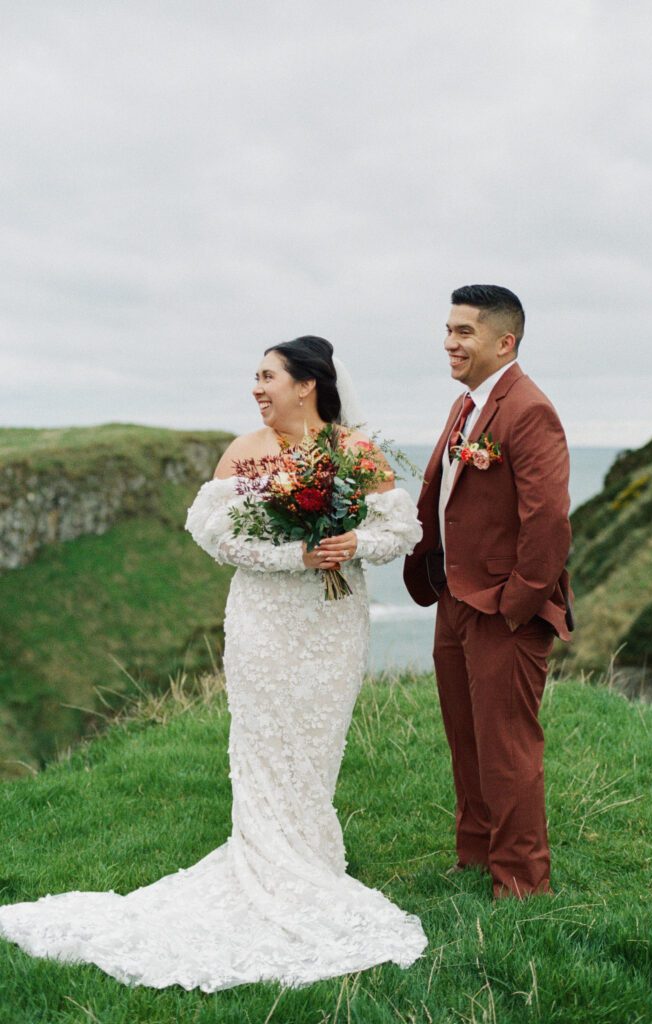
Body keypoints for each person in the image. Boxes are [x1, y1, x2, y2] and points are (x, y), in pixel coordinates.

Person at [0, 335, 427, 990]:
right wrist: (293, 555)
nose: (256, 388)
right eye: (255, 377)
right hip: (262, 622)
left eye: (268, 376)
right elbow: (215, 536)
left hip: (331, 625)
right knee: (263, 744)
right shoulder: (244, 451)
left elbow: (399, 531)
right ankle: (264, 865)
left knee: (315, 745)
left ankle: (308, 862)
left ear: (307, 384)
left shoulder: (355, 452)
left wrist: (352, 542)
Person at [404, 286, 572, 899]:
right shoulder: (466, 405)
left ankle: (523, 882)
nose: (450, 343)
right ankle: (475, 857)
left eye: (464, 332)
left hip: (502, 608)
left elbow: (548, 522)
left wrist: (515, 606)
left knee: (507, 748)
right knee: (466, 738)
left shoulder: (528, 409)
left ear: (505, 342)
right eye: (448, 330)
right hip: (455, 598)